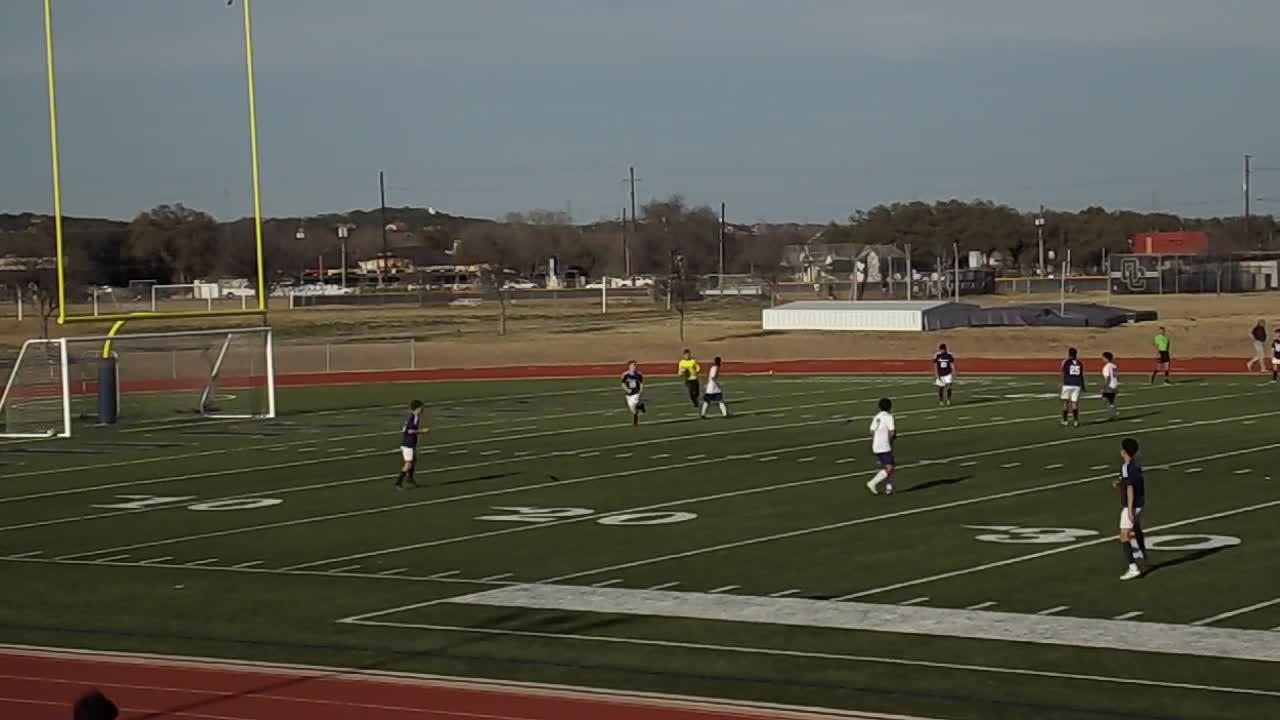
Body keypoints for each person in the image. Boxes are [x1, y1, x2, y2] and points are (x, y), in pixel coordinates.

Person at [1115, 437, 1148, 581]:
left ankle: (1133, 568)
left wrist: (1129, 508)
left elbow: (1130, 488)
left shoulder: (1127, 467)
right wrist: (1120, 483)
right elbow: (1129, 483)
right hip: (1140, 503)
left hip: (1132, 505)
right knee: (1137, 528)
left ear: (1124, 451)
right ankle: (1143, 553)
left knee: (1124, 536)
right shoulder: (1134, 465)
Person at [865, 398, 896, 495]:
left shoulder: (877, 417)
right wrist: (891, 440)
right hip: (884, 445)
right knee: (889, 467)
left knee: (887, 466)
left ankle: (888, 487)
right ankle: (872, 483)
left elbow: (871, 431)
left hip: (876, 445)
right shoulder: (889, 417)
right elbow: (892, 431)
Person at [395, 400, 427, 490]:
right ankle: (398, 483)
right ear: (418, 408)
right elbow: (409, 431)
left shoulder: (415, 417)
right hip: (408, 444)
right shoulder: (412, 418)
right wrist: (422, 431)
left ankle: (410, 478)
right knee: (408, 464)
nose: (423, 409)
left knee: (414, 461)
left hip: (410, 443)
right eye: (422, 408)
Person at [1061, 347, 1085, 428]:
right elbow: (1081, 375)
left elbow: (1063, 372)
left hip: (1067, 384)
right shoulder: (1079, 363)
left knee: (1065, 403)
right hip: (1077, 384)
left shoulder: (1066, 362)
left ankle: (1065, 421)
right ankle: (1075, 421)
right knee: (1074, 403)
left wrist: (1062, 381)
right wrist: (1083, 385)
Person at [621, 360, 646, 427]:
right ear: (629, 366)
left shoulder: (638, 374)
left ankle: (635, 422)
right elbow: (623, 383)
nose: (633, 367)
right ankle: (641, 406)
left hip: (636, 392)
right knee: (632, 409)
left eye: (634, 365)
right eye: (632, 366)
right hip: (628, 394)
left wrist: (641, 389)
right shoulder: (625, 375)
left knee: (635, 403)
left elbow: (641, 383)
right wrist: (627, 389)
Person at [1101, 352, 1119, 419]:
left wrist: (1105, 386)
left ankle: (1112, 414)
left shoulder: (1106, 367)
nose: (1102, 359)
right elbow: (1117, 376)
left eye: (1103, 358)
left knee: (1105, 399)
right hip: (1115, 385)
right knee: (1111, 400)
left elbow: (1107, 378)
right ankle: (1114, 412)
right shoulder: (1114, 366)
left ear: (1106, 358)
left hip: (1109, 386)